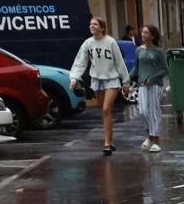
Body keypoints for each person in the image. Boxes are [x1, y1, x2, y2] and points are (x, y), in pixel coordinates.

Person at [69, 15, 130, 155]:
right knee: (104, 112)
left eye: (95, 24)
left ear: (102, 28)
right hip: (97, 80)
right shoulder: (88, 43)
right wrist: (74, 78)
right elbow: (80, 61)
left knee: (106, 109)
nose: (92, 26)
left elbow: (120, 62)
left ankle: (107, 143)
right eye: (91, 24)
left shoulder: (111, 42)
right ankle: (110, 140)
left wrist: (125, 82)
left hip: (112, 79)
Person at [131, 24, 169, 153]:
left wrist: (152, 78)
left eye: (146, 33)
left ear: (152, 36)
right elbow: (136, 67)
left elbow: (165, 70)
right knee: (142, 112)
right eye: (142, 32)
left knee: (153, 112)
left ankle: (156, 140)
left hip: (155, 85)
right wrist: (127, 80)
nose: (143, 35)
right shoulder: (138, 50)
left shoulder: (158, 51)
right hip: (142, 84)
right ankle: (149, 136)